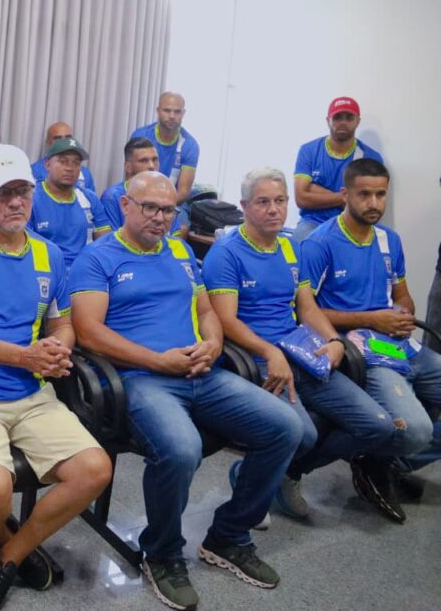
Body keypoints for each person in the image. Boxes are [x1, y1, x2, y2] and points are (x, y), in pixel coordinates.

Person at [70, 171, 302, 611]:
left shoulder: (180, 251)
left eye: (168, 210)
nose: (160, 218)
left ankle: (228, 535)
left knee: (284, 426)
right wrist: (157, 361)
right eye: (150, 208)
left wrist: (212, 343)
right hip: (138, 379)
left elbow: (207, 310)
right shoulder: (97, 258)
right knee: (181, 448)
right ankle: (161, 552)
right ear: (125, 206)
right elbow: (88, 333)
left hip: (200, 372)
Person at [0, 144, 111, 611]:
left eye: (23, 192)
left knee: (95, 470)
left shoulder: (48, 254)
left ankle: (7, 558)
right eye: (3, 193)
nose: (15, 202)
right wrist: (24, 355)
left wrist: (58, 347)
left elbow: (62, 323)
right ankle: (15, 544)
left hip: (32, 391)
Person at [203, 167, 394, 523]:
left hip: (300, 353)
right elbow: (226, 321)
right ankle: (250, 481)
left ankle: (283, 473)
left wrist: (333, 340)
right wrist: (269, 351)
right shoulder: (226, 252)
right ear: (244, 206)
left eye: (280, 201)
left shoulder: (290, 247)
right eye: (263, 202)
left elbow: (307, 307)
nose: (273, 209)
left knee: (378, 426)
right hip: (257, 359)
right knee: (302, 434)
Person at [301, 158, 441, 522]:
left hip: (399, 345)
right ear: (345, 194)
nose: (373, 203)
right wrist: (371, 318)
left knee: (416, 429)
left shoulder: (389, 240)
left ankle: (381, 461)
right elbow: (304, 312)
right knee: (417, 430)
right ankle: (380, 452)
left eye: (380, 194)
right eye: (364, 194)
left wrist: (402, 315)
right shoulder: (320, 243)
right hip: (362, 352)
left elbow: (403, 295)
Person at [292, 96, 384, 242]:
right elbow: (301, 198)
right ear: (328, 120)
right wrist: (344, 197)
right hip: (313, 222)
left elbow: (367, 203)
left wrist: (315, 189)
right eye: (337, 117)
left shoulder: (370, 157)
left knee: (382, 241)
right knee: (301, 244)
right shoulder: (308, 151)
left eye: (349, 117)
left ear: (358, 121)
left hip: (354, 223)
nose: (343, 122)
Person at [27, 137, 104, 273]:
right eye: (63, 162)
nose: (70, 168)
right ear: (47, 164)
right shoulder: (31, 198)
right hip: (45, 271)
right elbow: (25, 246)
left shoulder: (90, 198)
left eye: (76, 163)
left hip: (84, 272)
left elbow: (104, 243)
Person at [96, 137, 186, 238]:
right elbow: (112, 239)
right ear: (128, 167)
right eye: (144, 161)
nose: (151, 166)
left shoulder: (165, 194)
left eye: (155, 160)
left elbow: (175, 236)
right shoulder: (113, 196)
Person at [129, 92, 199, 206]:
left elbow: (183, 192)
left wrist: (159, 208)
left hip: (173, 203)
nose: (172, 116)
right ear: (158, 111)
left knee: (180, 219)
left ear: (183, 113)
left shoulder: (190, 145)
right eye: (167, 110)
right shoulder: (140, 135)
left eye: (177, 112)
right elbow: (130, 178)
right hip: (141, 200)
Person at [29, 121, 95, 191]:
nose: (63, 142)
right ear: (48, 142)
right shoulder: (34, 171)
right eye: (58, 138)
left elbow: (90, 197)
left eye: (67, 138)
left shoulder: (85, 173)